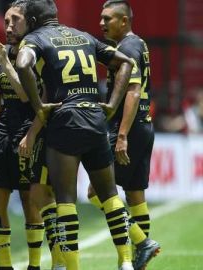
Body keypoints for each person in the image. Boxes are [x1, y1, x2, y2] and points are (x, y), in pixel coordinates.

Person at [15, 0, 136, 269]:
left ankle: (72, 266)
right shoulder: (83, 35)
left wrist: (39, 107)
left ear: (33, 20)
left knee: (66, 200)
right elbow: (126, 62)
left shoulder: (35, 38)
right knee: (110, 195)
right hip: (94, 118)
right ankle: (126, 261)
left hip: (65, 118)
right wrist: (113, 104)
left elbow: (23, 65)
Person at [87, 1, 160, 269]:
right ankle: (136, 258)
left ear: (124, 21)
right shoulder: (139, 43)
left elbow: (132, 91)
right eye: (101, 18)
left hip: (127, 128)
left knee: (96, 191)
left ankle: (142, 242)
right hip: (144, 125)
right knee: (135, 194)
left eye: (108, 19)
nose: (101, 24)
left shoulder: (126, 48)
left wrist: (121, 135)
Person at [0, 1, 54, 269]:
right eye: (7, 21)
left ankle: (34, 264)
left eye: (15, 21)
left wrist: (5, 62)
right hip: (3, 133)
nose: (9, 26)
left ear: (30, 23)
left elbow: (26, 95)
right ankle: (4, 265)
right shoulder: (1, 54)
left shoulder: (34, 54)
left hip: (30, 131)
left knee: (29, 198)